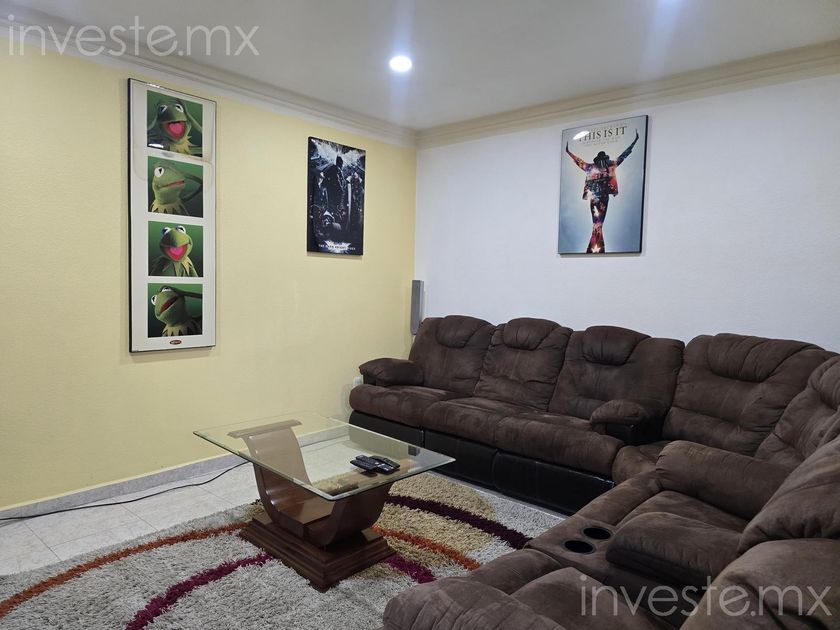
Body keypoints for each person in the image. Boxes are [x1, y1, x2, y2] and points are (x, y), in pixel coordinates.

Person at [566, 130, 639, 253]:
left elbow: (624, 155)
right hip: (597, 198)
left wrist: (634, 142)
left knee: (598, 223)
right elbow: (579, 161)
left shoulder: (602, 166)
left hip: (600, 198)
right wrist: (569, 152)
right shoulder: (599, 166)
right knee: (598, 223)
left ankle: (594, 249)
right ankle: (596, 249)